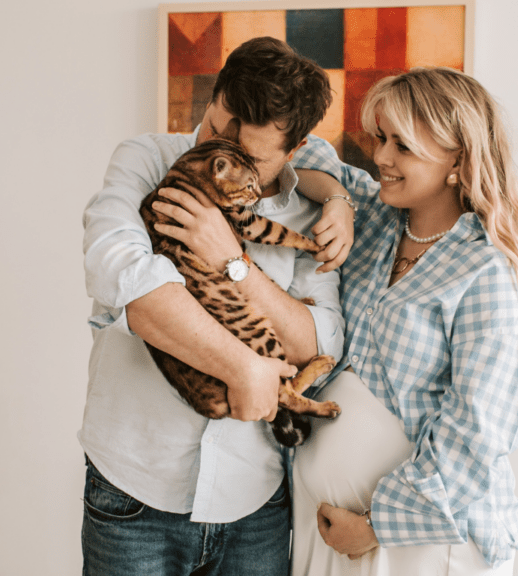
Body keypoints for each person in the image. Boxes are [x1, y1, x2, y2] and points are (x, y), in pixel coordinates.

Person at [78, 37, 345, 576]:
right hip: (135, 493)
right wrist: (243, 368)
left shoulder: (308, 207)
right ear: (211, 99)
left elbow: (318, 341)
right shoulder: (145, 160)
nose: (222, 156)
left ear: (293, 152)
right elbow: (124, 278)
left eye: (249, 155)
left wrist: (232, 261)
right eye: (216, 128)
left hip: (256, 506)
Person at [288, 67, 518, 575]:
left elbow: (477, 431)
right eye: (381, 139)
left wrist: (375, 525)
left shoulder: (485, 272)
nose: (381, 157)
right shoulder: (374, 218)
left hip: (415, 543)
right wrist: (338, 200)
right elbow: (295, 156)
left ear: (457, 158)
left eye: (402, 146)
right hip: (327, 537)